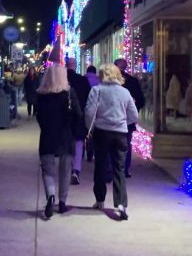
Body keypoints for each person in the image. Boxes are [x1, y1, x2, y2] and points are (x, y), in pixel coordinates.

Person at [85, 63, 139, 220]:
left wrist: (90, 127)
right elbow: (134, 116)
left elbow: (89, 112)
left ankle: (100, 199)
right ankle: (121, 203)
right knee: (119, 168)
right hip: (120, 133)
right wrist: (122, 122)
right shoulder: (125, 92)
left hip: (101, 132)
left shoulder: (97, 91)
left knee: (100, 166)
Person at [36, 64, 82, 219]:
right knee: (65, 170)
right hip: (66, 136)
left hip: (48, 136)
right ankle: (62, 202)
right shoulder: (69, 94)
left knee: (47, 170)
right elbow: (78, 114)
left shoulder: (42, 95)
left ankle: (51, 196)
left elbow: (39, 118)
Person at [114, 58, 145, 177]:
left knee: (113, 143)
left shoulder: (111, 81)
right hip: (128, 120)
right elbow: (141, 100)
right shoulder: (132, 81)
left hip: (113, 119)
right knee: (126, 144)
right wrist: (134, 112)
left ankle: (114, 167)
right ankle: (125, 168)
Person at [65, 58, 92, 186]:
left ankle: (70, 167)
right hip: (80, 116)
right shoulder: (82, 80)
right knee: (79, 143)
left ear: (66, 66)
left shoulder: (61, 80)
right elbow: (88, 99)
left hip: (65, 117)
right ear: (75, 66)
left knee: (68, 144)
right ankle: (76, 169)